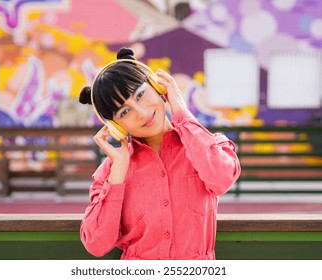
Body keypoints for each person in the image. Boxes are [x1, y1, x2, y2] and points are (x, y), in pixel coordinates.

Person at [79, 47, 241, 260]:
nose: (142, 113)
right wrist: (118, 171)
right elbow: (96, 244)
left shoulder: (206, 145)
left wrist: (181, 111)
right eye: (124, 112)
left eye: (140, 94)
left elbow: (221, 180)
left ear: (157, 87)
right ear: (115, 126)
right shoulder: (111, 171)